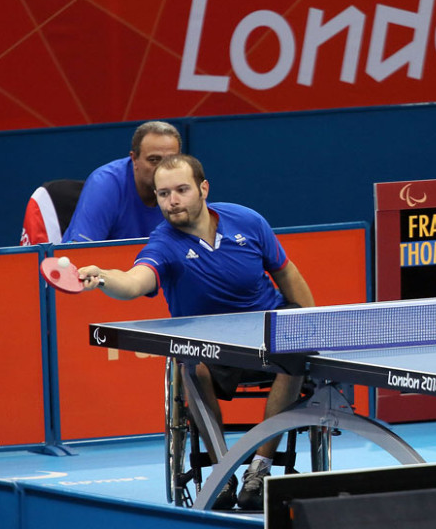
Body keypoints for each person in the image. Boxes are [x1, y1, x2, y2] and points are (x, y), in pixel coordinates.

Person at [78, 153, 316, 510]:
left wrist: (314, 327)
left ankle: (259, 468)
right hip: (211, 348)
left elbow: (286, 273)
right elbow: (133, 282)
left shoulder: (247, 221)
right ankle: (224, 471)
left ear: (203, 189)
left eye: (181, 190)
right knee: (190, 363)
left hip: (266, 337)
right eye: (163, 194)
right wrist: (103, 278)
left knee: (295, 343)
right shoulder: (164, 243)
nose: (172, 201)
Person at [62, 121, 181, 243]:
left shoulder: (186, 184)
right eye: (154, 160)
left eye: (171, 160)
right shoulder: (105, 184)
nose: (163, 169)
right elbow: (81, 250)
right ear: (134, 159)